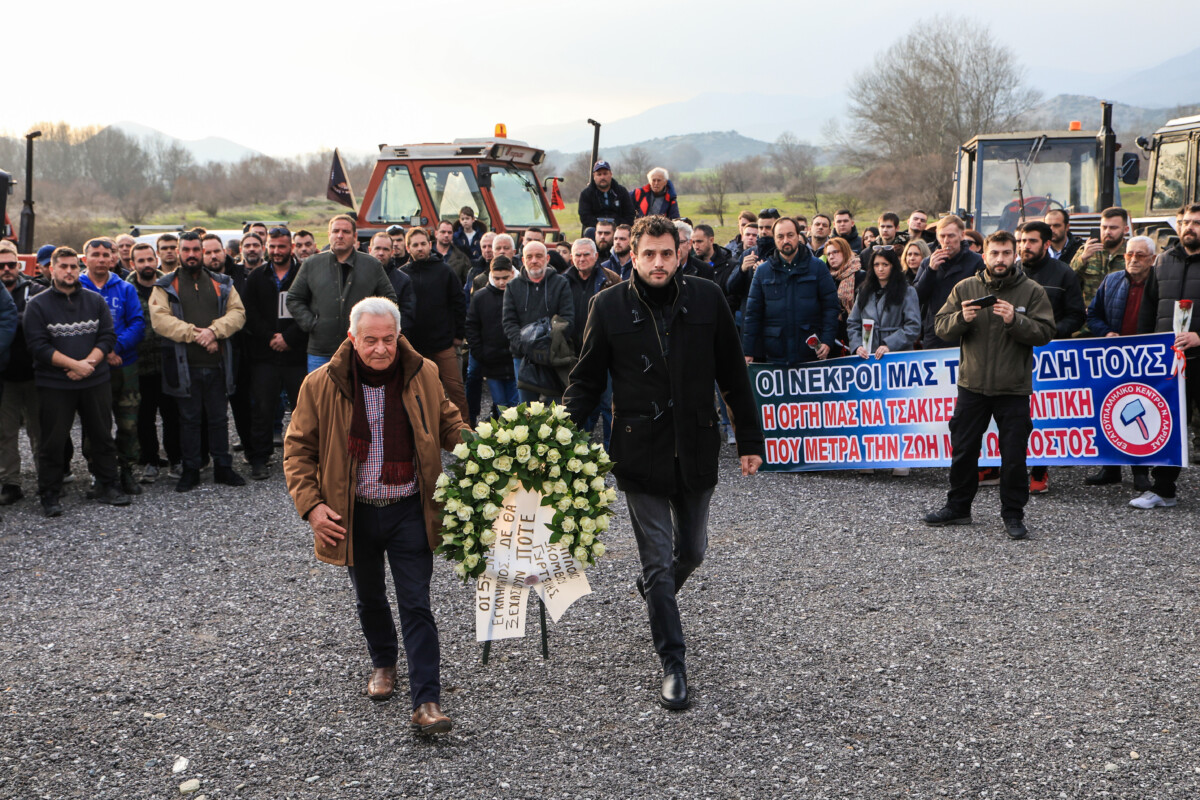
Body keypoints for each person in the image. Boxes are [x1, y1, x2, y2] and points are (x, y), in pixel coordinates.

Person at [564, 215, 764, 710]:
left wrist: (748, 440)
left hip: (695, 444)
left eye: (666, 253)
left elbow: (734, 374)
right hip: (639, 450)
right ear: (632, 255)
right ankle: (673, 663)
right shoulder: (607, 306)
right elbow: (586, 381)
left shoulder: (708, 298)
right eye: (648, 254)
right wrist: (558, 440)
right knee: (657, 560)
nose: (658, 262)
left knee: (692, 551)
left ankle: (658, 591)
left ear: (681, 254)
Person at [283, 296, 467, 734]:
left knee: (416, 604)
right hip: (353, 513)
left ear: (398, 336)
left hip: (409, 508)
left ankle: (427, 701)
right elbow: (297, 450)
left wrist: (497, 451)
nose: (381, 349)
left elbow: (449, 427)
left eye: (388, 339)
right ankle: (383, 663)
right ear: (352, 337)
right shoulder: (320, 383)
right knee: (369, 598)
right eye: (370, 340)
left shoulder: (423, 373)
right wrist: (311, 506)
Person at [923, 230, 1055, 540]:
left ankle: (1013, 514)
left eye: (1006, 253)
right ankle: (958, 508)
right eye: (994, 253)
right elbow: (940, 327)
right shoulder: (965, 287)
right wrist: (962, 319)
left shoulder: (1031, 291)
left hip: (1013, 390)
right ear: (985, 255)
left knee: (1013, 456)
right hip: (972, 387)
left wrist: (1016, 321)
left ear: (1014, 256)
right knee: (964, 450)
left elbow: (1046, 333)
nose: (1000, 259)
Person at [23, 247, 131, 515]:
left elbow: (107, 337)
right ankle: (50, 493)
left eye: (73, 266)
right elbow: (38, 346)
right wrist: (74, 366)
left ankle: (108, 485)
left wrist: (88, 365)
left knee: (102, 436)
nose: (69, 271)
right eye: (63, 267)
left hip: (95, 382)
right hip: (55, 385)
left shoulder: (95, 301)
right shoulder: (37, 305)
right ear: (52, 269)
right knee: (53, 441)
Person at [149, 231, 248, 492]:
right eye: (187, 250)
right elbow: (160, 319)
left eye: (196, 250)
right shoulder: (165, 285)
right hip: (184, 367)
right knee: (189, 420)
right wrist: (198, 335)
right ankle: (191, 469)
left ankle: (223, 467)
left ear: (203, 252)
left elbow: (238, 313)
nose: (191, 254)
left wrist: (214, 331)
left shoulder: (223, 282)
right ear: (179, 252)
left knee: (218, 418)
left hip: (217, 365)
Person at [1128, 203, 1200, 510]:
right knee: (1169, 424)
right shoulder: (1164, 262)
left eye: (1196, 222)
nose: (1189, 227)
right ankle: (1164, 490)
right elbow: (1149, 309)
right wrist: (1147, 348)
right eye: (1184, 222)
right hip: (1169, 362)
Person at [1016, 220, 1085, 494]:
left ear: (1046, 244)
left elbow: (1077, 314)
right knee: (1011, 413)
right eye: (1021, 241)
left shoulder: (1063, 273)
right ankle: (1006, 468)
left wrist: (1050, 333)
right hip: (1012, 352)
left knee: (1043, 415)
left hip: (1049, 355)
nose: (1025, 246)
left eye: (1031, 241)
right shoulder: (1011, 271)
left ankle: (1039, 471)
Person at [1084, 235, 1156, 491]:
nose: (1133, 259)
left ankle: (1140, 471)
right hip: (1114, 362)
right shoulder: (1111, 280)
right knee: (1110, 412)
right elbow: (1092, 314)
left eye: (1140, 255)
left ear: (1152, 259)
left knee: (1141, 411)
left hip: (1147, 362)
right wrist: (1105, 333)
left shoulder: (1159, 284)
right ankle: (1110, 468)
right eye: (1129, 254)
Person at [286, 215, 397, 373]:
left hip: (360, 350)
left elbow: (390, 301)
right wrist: (312, 323)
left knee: (358, 396)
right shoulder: (312, 264)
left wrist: (371, 327)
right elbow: (293, 298)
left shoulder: (372, 265)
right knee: (321, 395)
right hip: (321, 350)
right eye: (335, 231)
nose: (340, 235)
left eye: (345, 231)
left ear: (355, 237)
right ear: (329, 234)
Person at [241, 227, 309, 480]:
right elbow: (249, 312)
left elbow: (312, 309)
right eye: (272, 246)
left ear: (291, 246)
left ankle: (304, 458)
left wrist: (289, 338)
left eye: (282, 246)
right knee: (262, 407)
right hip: (265, 354)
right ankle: (260, 458)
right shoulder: (257, 276)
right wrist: (271, 337)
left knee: (303, 409)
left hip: (296, 353)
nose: (277, 252)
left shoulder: (304, 273)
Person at [80, 237, 146, 496]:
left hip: (124, 366)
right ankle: (98, 473)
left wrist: (115, 349)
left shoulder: (125, 289)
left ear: (113, 258)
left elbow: (137, 323)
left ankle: (127, 470)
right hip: (91, 368)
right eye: (95, 254)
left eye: (105, 254)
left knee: (128, 423)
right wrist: (100, 355)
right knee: (95, 424)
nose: (100, 258)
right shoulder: (78, 287)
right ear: (85, 259)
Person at [848, 247, 921, 476]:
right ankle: (869, 456)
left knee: (898, 407)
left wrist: (890, 343)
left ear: (893, 266)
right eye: (877, 265)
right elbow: (853, 323)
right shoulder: (865, 291)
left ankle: (901, 457)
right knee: (871, 408)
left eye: (885, 265)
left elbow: (913, 326)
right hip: (868, 358)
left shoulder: (907, 292)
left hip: (896, 356)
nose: (880, 269)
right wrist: (857, 345)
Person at [743, 217, 839, 365]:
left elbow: (831, 307)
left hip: (811, 351)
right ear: (774, 239)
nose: (785, 240)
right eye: (780, 237)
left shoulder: (817, 267)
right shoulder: (763, 272)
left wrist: (827, 340)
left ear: (798, 236)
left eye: (790, 235)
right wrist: (748, 351)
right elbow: (753, 314)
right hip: (775, 354)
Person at [398, 227, 469, 421]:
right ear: (408, 247)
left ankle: (466, 435)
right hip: (414, 346)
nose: (420, 248)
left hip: (443, 343)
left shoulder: (444, 270)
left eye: (423, 244)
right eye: (415, 245)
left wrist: (458, 334)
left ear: (430, 245)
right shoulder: (402, 275)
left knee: (455, 390)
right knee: (419, 392)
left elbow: (459, 303)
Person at [126, 242, 181, 482]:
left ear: (156, 259)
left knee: (172, 415)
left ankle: (176, 460)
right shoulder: (126, 290)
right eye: (141, 261)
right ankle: (150, 460)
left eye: (150, 259)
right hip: (139, 365)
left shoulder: (170, 285)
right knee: (144, 417)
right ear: (132, 264)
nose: (146, 264)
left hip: (169, 362)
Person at [502, 240, 574, 403]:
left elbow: (567, 318)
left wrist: (547, 346)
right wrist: (526, 347)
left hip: (553, 355)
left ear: (547, 259)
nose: (534, 260)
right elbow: (509, 322)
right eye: (529, 256)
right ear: (523, 260)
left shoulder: (561, 283)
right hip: (522, 356)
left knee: (556, 412)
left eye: (539, 256)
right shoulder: (512, 287)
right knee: (526, 411)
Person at [0, 242, 41, 505]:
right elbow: (24, 321)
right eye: (1, 266)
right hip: (5, 377)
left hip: (35, 373)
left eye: (11, 264)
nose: (6, 269)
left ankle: (47, 479)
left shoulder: (35, 290)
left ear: (20, 265)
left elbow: (39, 320)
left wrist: (16, 321)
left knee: (40, 430)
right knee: (5, 433)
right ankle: (10, 483)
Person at [913, 215, 985, 349]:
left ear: (961, 235)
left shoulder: (977, 261)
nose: (946, 241)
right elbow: (917, 297)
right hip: (935, 331)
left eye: (951, 236)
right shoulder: (927, 262)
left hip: (967, 330)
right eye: (942, 236)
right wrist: (930, 270)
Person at [465, 256, 519, 423]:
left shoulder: (519, 294)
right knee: (500, 404)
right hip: (491, 361)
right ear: (490, 276)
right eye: (497, 278)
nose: (501, 282)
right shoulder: (481, 297)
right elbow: (472, 326)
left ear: (512, 274)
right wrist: (480, 353)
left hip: (514, 360)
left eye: (505, 278)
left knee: (516, 406)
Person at [1070, 206, 1129, 306]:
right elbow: (1069, 279)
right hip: (1090, 314)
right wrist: (1082, 259)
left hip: (1119, 312)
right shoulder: (1086, 251)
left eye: (1113, 228)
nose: (1107, 232)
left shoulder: (1131, 253)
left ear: (1125, 230)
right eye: (1104, 227)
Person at [822, 237, 863, 352]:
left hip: (856, 334)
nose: (831, 257)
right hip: (835, 337)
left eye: (835, 252)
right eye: (828, 254)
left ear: (845, 251)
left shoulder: (860, 276)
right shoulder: (826, 279)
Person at [369, 232, 416, 329]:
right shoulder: (357, 277)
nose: (381, 253)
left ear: (391, 252)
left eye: (385, 249)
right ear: (370, 250)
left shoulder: (403, 280)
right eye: (377, 248)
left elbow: (407, 315)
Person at [578, 160, 635, 231]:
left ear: (611, 174)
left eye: (605, 174)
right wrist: (601, 226)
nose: (602, 177)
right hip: (596, 229)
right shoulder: (586, 194)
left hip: (618, 228)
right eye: (599, 174)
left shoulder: (621, 191)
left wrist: (616, 226)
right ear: (594, 176)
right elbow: (585, 217)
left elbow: (630, 214)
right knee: (590, 231)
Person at [433, 220, 471, 285]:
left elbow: (468, 283)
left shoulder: (462, 258)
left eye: (449, 232)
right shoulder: (427, 255)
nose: (446, 235)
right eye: (443, 232)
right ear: (436, 234)